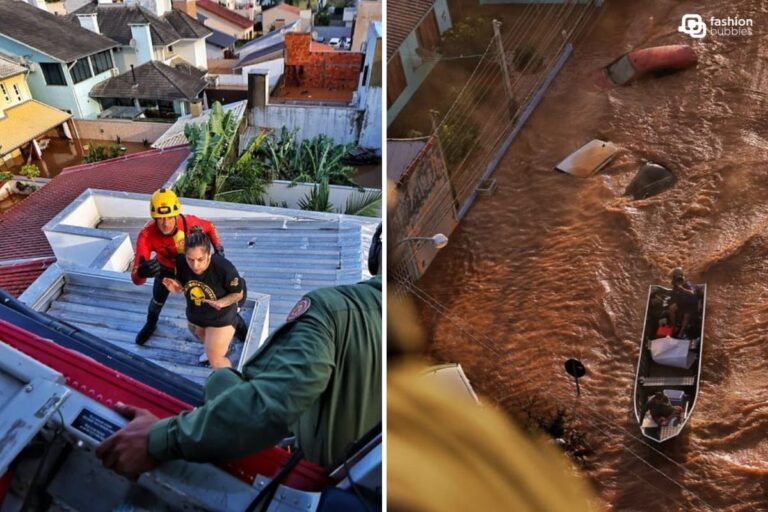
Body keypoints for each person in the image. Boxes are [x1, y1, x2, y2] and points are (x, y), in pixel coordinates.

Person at [96, 226, 382, 476]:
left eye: (200, 259)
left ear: (375, 255)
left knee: (221, 376)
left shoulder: (336, 310)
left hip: (316, 472)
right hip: (200, 322)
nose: (195, 264)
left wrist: (159, 440)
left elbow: (270, 405)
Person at [132, 188, 246, 346]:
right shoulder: (146, 235)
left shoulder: (188, 222)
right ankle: (150, 324)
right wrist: (142, 273)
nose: (165, 223)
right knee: (157, 300)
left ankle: (238, 325)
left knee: (212, 298)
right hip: (165, 270)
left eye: (169, 217)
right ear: (154, 217)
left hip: (191, 268)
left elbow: (210, 227)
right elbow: (136, 278)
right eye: (160, 218)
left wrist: (218, 248)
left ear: (176, 214)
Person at [162, 227, 246, 369]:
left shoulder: (223, 268)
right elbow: (184, 285)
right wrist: (177, 287)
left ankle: (230, 382)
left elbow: (239, 293)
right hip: (197, 312)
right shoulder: (181, 263)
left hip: (221, 315)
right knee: (200, 333)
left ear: (209, 254)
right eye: (191, 259)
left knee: (216, 360)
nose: (195, 265)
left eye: (200, 259)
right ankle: (215, 347)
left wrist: (221, 302)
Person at [668, 267, 699, 338]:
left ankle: (682, 331)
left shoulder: (687, 284)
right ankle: (674, 325)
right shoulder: (675, 283)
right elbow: (674, 293)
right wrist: (674, 302)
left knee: (686, 316)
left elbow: (692, 293)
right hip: (681, 302)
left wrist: (683, 289)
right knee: (671, 308)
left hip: (690, 304)